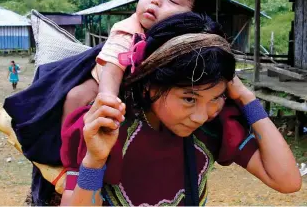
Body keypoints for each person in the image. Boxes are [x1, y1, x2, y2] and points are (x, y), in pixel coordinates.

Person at [60, 14, 301, 206]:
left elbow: (287, 180)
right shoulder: (106, 127)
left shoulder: (215, 127)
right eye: (189, 99)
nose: (200, 116)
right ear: (149, 85)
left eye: (216, 98)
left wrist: (247, 98)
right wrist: (94, 160)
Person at [61, 0, 215, 124]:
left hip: (139, 85)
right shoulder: (127, 31)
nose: (155, 0)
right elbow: (112, 71)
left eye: (172, 1)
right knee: (75, 96)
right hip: (105, 80)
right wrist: (107, 102)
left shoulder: (189, 39)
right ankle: (65, 144)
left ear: (194, 16)